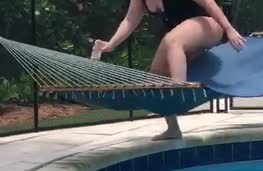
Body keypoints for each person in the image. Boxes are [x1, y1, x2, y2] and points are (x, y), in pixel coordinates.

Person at [93, 0, 246, 140]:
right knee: (154, 78)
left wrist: (229, 29)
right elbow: (129, 20)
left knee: (172, 40)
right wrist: (111, 44)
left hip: (208, 26)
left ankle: (179, 90)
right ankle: (173, 128)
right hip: (180, 38)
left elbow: (209, 3)